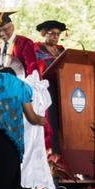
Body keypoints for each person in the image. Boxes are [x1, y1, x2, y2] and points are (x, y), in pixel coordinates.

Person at [34, 19, 67, 153]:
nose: (55, 37)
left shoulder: (61, 50)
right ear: (43, 33)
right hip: (47, 89)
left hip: (64, 88)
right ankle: (52, 153)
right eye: (51, 33)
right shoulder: (36, 48)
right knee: (51, 120)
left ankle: (64, 152)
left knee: (63, 119)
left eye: (58, 34)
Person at [0, 11, 37, 76]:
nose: (1, 33)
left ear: (12, 27)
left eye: (5, 29)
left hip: (20, 83)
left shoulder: (25, 43)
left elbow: (32, 68)